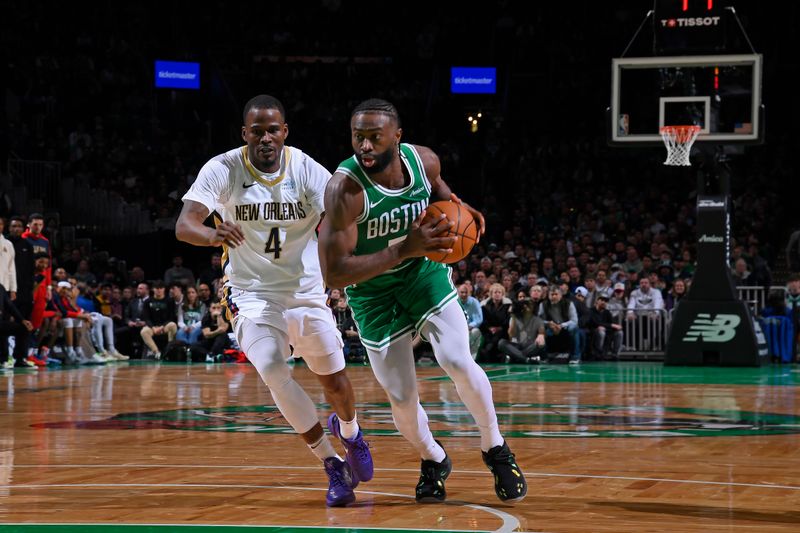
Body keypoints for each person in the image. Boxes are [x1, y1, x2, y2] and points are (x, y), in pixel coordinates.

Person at [318, 98, 526, 504]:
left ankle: (495, 447)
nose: (364, 145)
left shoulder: (424, 162)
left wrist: (460, 207)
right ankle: (434, 458)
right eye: (357, 137)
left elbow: (440, 191)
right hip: (372, 293)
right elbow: (334, 273)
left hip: (423, 277)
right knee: (401, 398)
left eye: (374, 137)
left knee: (457, 359)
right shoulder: (345, 189)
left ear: (397, 137)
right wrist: (403, 249)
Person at [175, 94, 372, 507]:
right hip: (251, 292)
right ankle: (332, 464)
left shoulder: (304, 168)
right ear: (244, 134)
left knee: (334, 380)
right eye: (257, 131)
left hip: (306, 289)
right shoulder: (223, 168)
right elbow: (185, 224)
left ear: (285, 132)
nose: (265, 138)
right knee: (271, 368)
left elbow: (341, 218)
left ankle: (351, 431)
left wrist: (342, 259)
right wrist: (212, 234)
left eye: (273, 130)